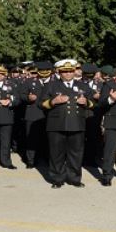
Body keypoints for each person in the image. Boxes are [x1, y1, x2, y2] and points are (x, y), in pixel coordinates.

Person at [39, 59, 94, 188]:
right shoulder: (51, 86)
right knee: (56, 153)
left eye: (71, 71)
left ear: (75, 71)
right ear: (59, 72)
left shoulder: (83, 86)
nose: (68, 74)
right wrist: (53, 102)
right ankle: (57, 179)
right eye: (65, 71)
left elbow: (94, 103)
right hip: (56, 124)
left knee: (76, 153)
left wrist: (86, 102)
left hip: (77, 123)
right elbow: (40, 104)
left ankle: (74, 178)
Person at [19, 62, 52, 168]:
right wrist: (28, 98)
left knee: (48, 139)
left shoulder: (55, 82)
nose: (43, 74)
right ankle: (30, 161)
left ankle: (47, 158)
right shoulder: (29, 81)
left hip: (49, 114)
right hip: (33, 113)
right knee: (32, 138)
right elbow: (22, 95)